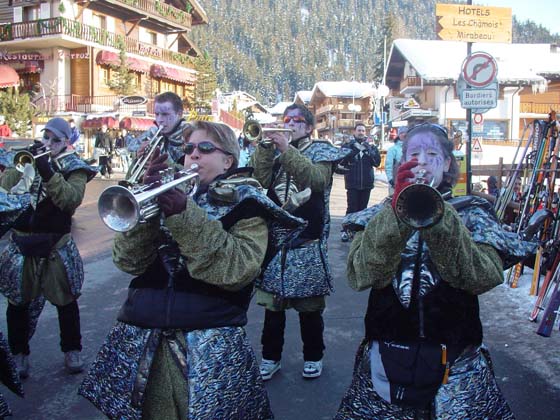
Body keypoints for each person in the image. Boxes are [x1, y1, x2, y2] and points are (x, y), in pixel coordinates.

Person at [79, 121, 304, 419]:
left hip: (210, 349)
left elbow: (238, 269)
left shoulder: (249, 204)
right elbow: (129, 262)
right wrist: (147, 208)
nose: (194, 154)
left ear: (228, 161)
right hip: (142, 342)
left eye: (206, 148)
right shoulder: (168, 193)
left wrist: (183, 214)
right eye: (189, 148)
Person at [334, 123, 537, 419]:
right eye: (414, 154)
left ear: (448, 164)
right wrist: (395, 214)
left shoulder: (473, 212)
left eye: (432, 154)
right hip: (385, 364)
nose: (423, 162)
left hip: (458, 367)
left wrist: (441, 220)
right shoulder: (378, 216)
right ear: (403, 163)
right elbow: (360, 276)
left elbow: (484, 276)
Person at [250, 103, 350, 381]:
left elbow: (317, 181)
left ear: (308, 127)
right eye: (286, 120)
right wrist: (265, 150)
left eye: (296, 121)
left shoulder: (322, 150)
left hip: (307, 238)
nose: (290, 124)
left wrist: (286, 149)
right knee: (272, 308)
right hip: (275, 241)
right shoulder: (273, 150)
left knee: (310, 308)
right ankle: (270, 357)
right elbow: (258, 182)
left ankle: (313, 356)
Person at [0, 117, 97, 378]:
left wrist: (48, 171)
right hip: (22, 243)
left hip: (56, 245)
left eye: (55, 140)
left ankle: (72, 350)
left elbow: (70, 200)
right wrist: (22, 165)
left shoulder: (75, 167)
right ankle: (18, 354)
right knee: (17, 302)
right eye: (46, 137)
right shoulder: (28, 158)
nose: (49, 143)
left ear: (66, 142)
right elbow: (5, 188)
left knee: (66, 300)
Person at [338, 122, 381, 242]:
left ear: (365, 132)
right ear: (354, 132)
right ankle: (346, 230)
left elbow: (377, 163)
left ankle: (358, 232)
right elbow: (341, 161)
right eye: (359, 130)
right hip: (352, 182)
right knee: (352, 208)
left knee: (363, 209)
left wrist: (369, 151)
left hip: (367, 183)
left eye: (363, 130)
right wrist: (353, 151)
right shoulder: (347, 146)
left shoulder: (371, 147)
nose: (361, 132)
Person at [385, 125, 406, 195]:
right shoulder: (393, 149)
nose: (404, 134)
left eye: (406, 132)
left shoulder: (413, 148)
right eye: (401, 133)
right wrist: (391, 179)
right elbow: (388, 165)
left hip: (410, 182)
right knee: (395, 200)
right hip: (396, 182)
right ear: (398, 135)